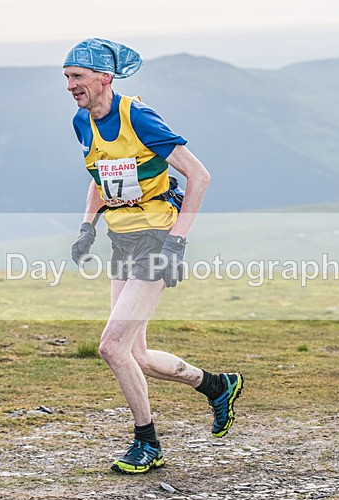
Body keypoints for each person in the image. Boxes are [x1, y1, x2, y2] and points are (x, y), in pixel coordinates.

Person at [63, 38, 244, 474]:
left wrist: (177, 241)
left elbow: (199, 175)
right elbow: (99, 175)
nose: (70, 85)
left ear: (104, 78)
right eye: (67, 77)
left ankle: (147, 443)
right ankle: (217, 386)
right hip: (121, 240)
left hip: (155, 239)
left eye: (78, 77)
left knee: (110, 347)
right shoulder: (82, 121)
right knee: (136, 355)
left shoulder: (137, 116)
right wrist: (88, 226)